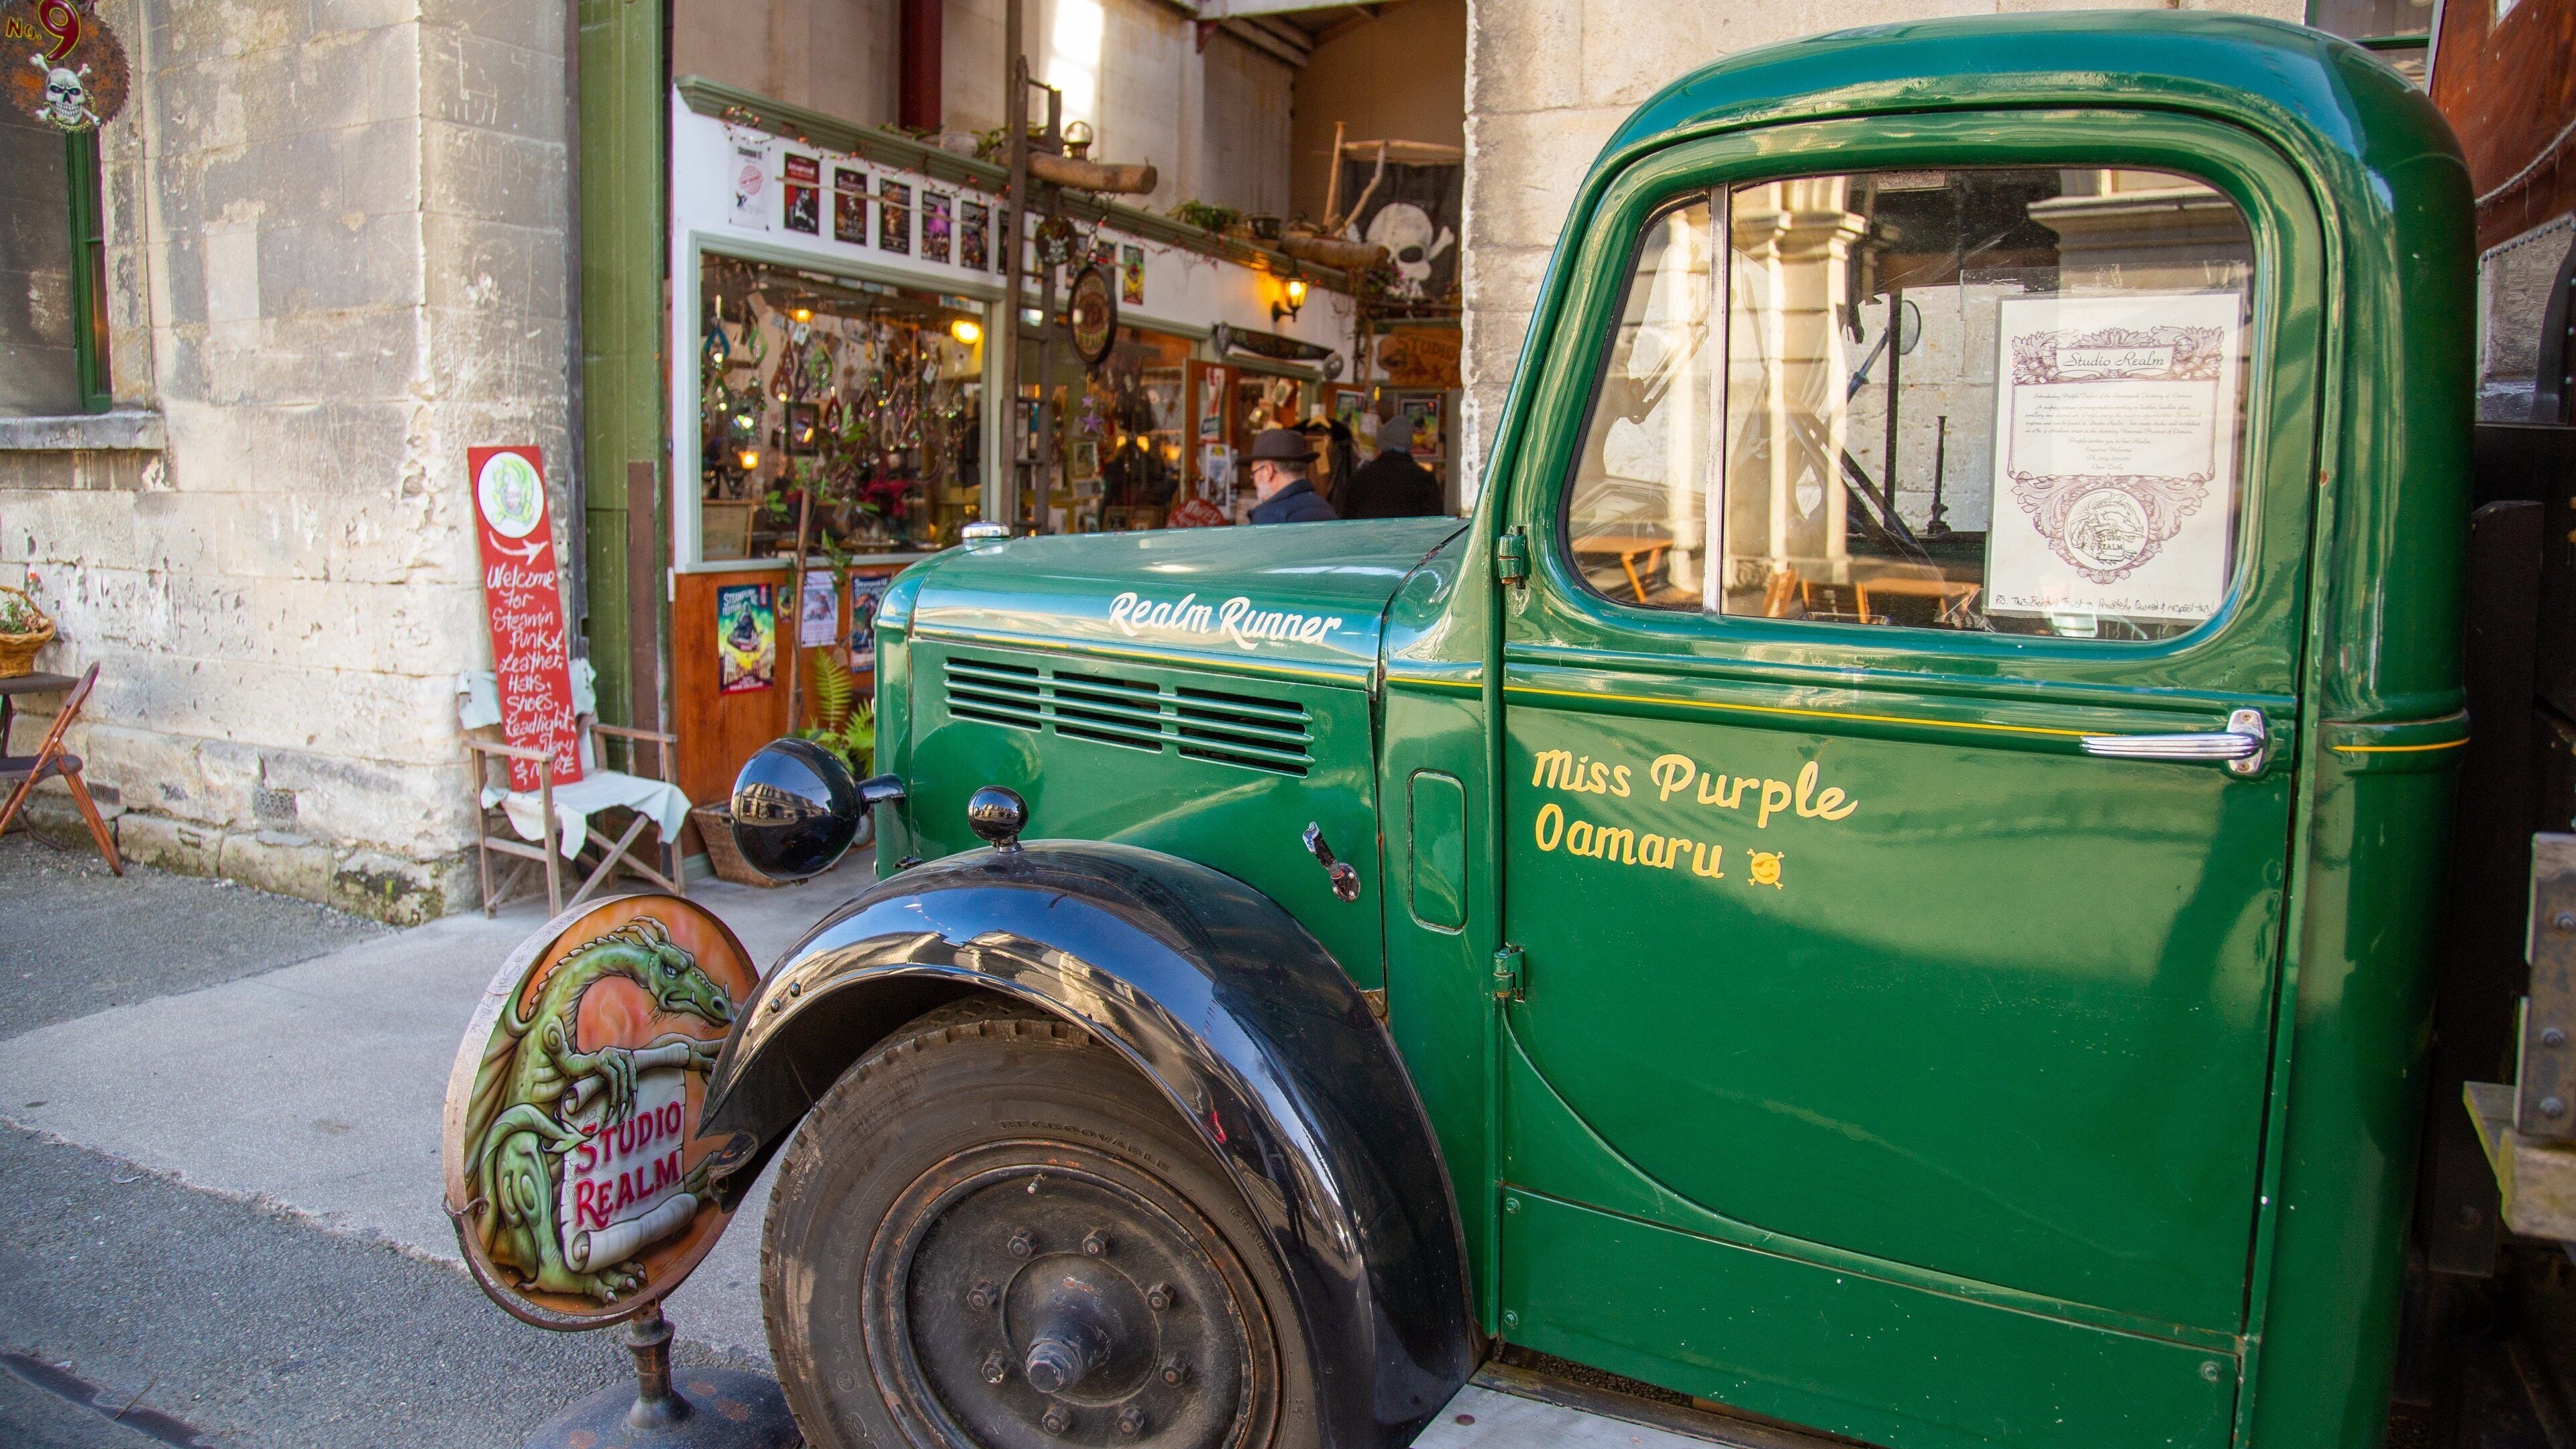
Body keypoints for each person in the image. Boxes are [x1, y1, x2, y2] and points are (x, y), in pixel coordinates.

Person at [1338, 413, 1444, 519]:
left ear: (1381, 443)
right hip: (1409, 535)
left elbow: (1347, 520)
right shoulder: (1424, 479)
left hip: (1369, 534)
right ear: (1410, 444)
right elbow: (1435, 523)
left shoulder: (1361, 478)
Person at [1244, 428, 1338, 524]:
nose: (1254, 483)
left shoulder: (1270, 517)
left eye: (1254, 474)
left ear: (1268, 471)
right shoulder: (1325, 508)